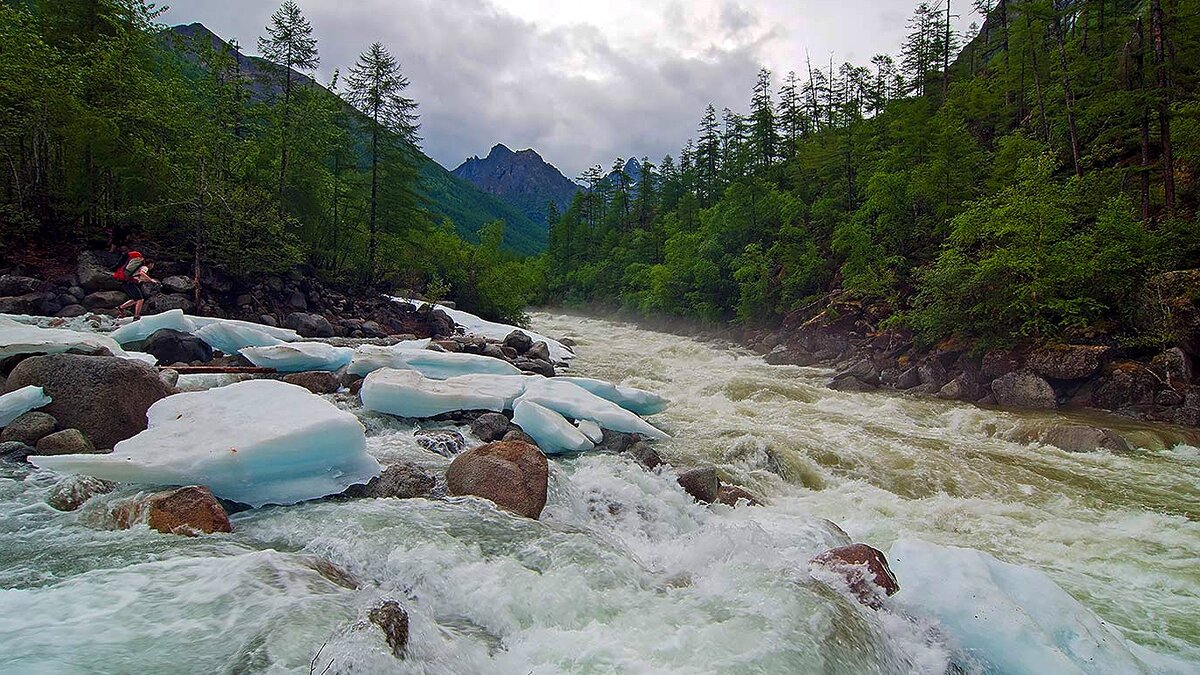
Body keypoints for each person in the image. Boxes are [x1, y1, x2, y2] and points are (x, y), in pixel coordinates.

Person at [114, 251, 158, 319]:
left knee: (135, 299)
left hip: (126, 283)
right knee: (140, 299)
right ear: (150, 264)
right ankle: (136, 316)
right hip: (130, 284)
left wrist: (148, 280)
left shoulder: (138, 267)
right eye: (153, 265)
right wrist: (151, 280)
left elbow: (139, 277)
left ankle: (120, 308)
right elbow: (141, 273)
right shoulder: (144, 267)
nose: (153, 266)